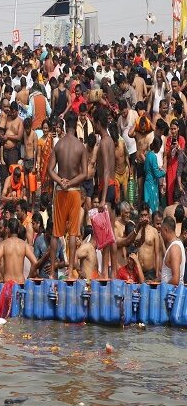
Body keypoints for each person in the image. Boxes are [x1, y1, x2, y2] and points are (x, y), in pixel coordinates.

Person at [48, 111, 87, 279]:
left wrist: (61, 181)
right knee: (72, 233)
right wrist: (70, 183)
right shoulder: (80, 146)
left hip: (61, 191)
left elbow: (50, 170)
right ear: (76, 123)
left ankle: (51, 272)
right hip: (74, 192)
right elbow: (84, 173)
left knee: (56, 233)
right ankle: (70, 270)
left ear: (64, 125)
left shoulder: (59, 145)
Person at [93, 108, 118, 278]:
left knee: (106, 235)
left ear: (98, 123)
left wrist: (102, 199)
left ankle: (105, 273)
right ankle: (113, 271)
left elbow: (107, 169)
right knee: (112, 233)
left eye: (94, 122)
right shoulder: (110, 141)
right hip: (111, 187)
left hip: (107, 188)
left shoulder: (103, 142)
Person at [0, 217, 37, 283]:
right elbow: (35, 262)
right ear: (18, 230)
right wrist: (29, 277)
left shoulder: (3, 244)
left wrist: (0, 277)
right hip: (21, 283)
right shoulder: (24, 244)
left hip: (7, 283)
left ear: (8, 229)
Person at [159, 216, 186, 285]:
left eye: (161, 231)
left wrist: (162, 288)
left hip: (171, 293)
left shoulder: (175, 248)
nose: (161, 234)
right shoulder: (174, 245)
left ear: (165, 230)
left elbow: (175, 280)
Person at [144, 137, 166, 213]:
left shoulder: (148, 154)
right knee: (153, 209)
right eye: (160, 147)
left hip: (147, 183)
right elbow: (156, 174)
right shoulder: (153, 156)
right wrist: (164, 172)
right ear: (158, 147)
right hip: (152, 185)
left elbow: (146, 168)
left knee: (148, 207)